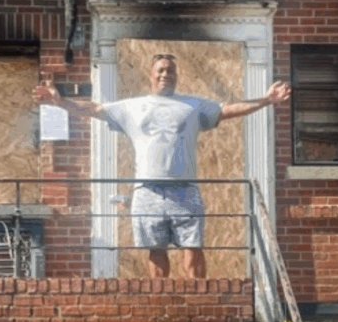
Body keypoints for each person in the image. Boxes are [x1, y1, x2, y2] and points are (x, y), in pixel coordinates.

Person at [34, 54, 291, 278]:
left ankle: (200, 301)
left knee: (193, 248)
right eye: (161, 70)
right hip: (148, 191)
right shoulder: (132, 107)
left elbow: (228, 109)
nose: (166, 74)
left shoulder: (193, 105)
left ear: (176, 76)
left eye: (171, 71)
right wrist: (61, 102)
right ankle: (162, 303)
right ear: (151, 75)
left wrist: (266, 100)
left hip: (186, 190)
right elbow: (95, 108)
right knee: (156, 251)